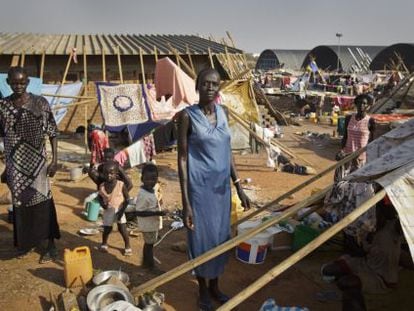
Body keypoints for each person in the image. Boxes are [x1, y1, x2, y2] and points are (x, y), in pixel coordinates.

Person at [177, 68, 250, 310]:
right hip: (199, 191)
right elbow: (182, 159)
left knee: (220, 238)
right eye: (206, 83)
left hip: (221, 191)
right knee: (200, 238)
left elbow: (228, 152)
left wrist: (238, 185)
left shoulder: (224, 112)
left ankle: (215, 285)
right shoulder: (187, 116)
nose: (210, 87)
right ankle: (202, 289)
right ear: (197, 86)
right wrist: (186, 202)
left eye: (215, 84)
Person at [0, 66, 60, 262]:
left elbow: (53, 132)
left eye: (22, 82)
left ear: (28, 82)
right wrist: (5, 167)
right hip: (15, 165)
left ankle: (50, 245)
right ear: (8, 83)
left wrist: (55, 160)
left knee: (43, 200)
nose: (19, 86)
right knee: (20, 204)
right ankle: (24, 243)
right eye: (15, 82)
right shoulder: (2, 106)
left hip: (38, 164)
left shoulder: (39, 103)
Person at [133, 163, 166, 272]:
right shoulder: (142, 195)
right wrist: (157, 213)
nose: (151, 182)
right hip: (147, 225)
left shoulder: (152, 188)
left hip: (152, 224)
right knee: (149, 245)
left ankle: (145, 263)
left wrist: (159, 199)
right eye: (147, 179)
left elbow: (157, 193)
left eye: (154, 179)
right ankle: (151, 266)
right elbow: (139, 212)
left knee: (149, 244)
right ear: (142, 179)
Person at [98, 161, 131, 256]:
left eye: (111, 173)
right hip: (108, 210)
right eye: (106, 173)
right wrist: (102, 204)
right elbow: (99, 197)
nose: (109, 176)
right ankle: (104, 243)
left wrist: (121, 212)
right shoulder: (102, 186)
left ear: (116, 174)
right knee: (107, 229)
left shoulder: (121, 185)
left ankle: (127, 246)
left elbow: (128, 199)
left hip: (120, 209)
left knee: (122, 229)